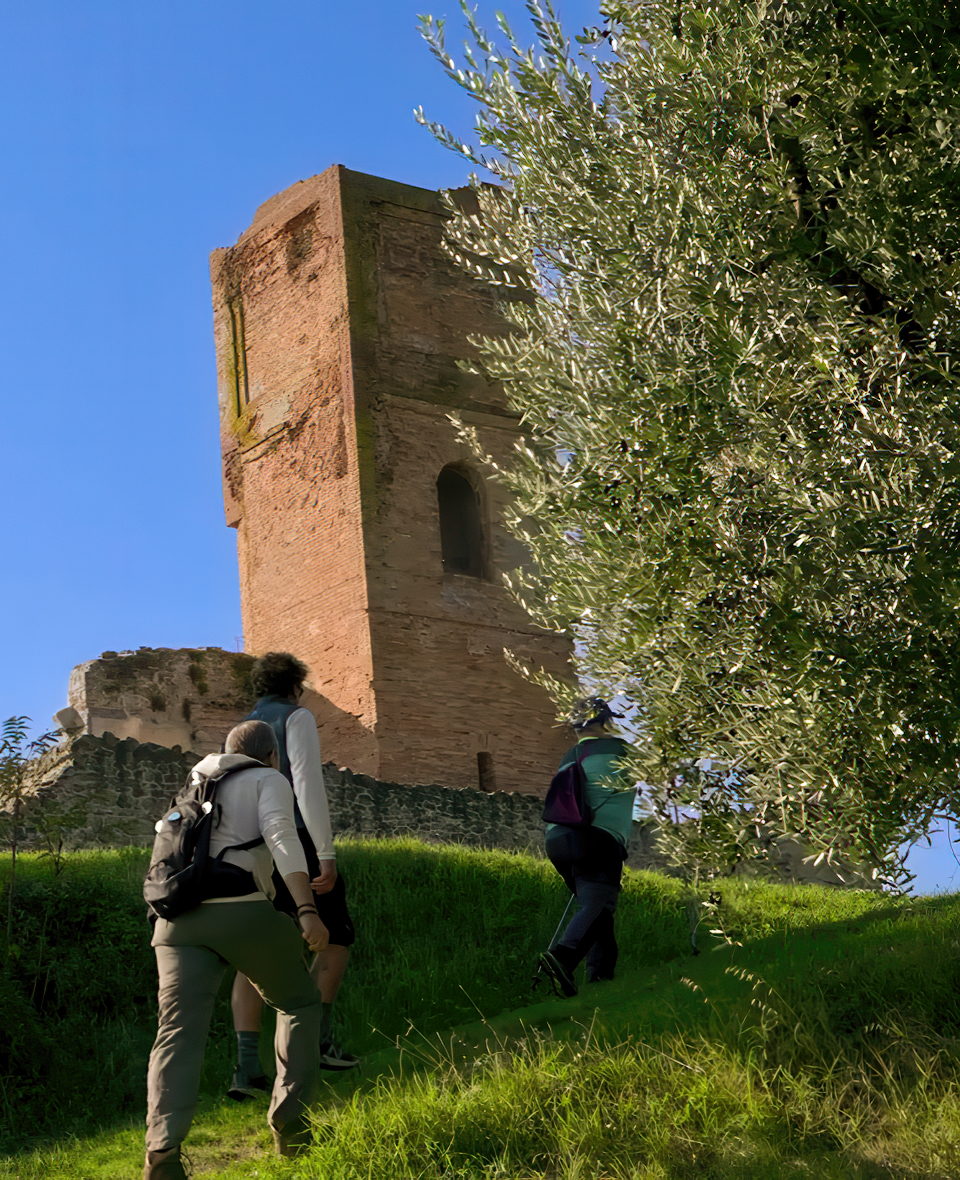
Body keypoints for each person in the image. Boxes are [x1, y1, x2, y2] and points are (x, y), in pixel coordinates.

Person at [144, 720, 328, 1180]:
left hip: (175, 921)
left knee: (177, 1033)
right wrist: (306, 908)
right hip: (241, 910)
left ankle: (161, 1158)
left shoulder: (195, 782)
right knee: (300, 1002)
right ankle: (293, 1128)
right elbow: (282, 837)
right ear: (272, 756)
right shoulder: (268, 778)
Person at [228, 652, 357, 1101]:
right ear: (296, 685)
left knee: (253, 955)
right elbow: (306, 786)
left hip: (247, 849)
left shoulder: (242, 727)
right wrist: (326, 854)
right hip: (295, 841)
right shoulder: (295, 718)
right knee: (336, 940)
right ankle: (316, 1045)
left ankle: (246, 1069)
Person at [538, 697, 634, 998]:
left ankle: (601, 976)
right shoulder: (620, 750)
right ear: (606, 721)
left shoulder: (570, 755)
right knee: (598, 904)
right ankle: (564, 957)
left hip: (557, 840)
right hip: (596, 839)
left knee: (597, 910)